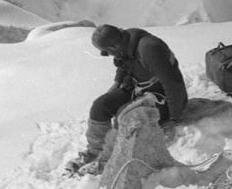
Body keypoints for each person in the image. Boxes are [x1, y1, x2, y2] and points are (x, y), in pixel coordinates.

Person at [65, 24, 189, 175]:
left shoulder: (149, 49)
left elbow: (173, 84)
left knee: (123, 116)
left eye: (107, 52)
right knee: (100, 106)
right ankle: (95, 152)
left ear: (114, 45)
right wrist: (117, 83)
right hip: (137, 88)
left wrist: (174, 117)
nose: (107, 55)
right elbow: (123, 63)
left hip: (160, 96)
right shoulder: (125, 42)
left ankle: (110, 159)